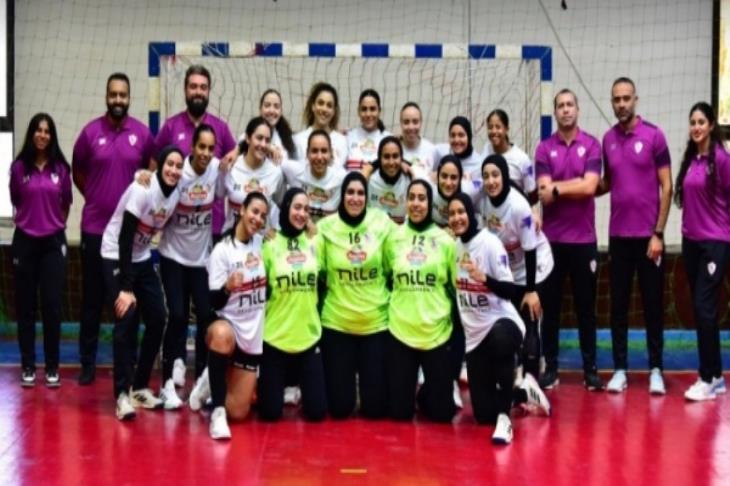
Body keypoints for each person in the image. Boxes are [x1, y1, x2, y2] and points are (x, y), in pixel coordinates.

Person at [448, 193, 550, 445]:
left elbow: (511, 290)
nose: (457, 217)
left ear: (471, 214)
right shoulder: (455, 248)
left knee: (500, 340)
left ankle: (505, 420)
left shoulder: (490, 243)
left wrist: (485, 278)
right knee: (483, 415)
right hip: (475, 338)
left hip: (503, 323)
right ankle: (524, 393)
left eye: (461, 212)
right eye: (452, 213)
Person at [72, 72, 155, 385]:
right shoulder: (89, 133)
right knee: (92, 300)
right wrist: (95, 196)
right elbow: (77, 171)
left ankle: (129, 361)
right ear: (106, 96)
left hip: (128, 236)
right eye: (113, 94)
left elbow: (153, 168)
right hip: (95, 229)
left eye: (123, 95)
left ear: (129, 98)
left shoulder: (142, 134)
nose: (118, 100)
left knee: (127, 299)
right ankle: (87, 363)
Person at [600, 78, 673, 395]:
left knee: (653, 305)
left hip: (649, 239)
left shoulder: (655, 135)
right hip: (618, 238)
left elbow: (667, 187)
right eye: (616, 99)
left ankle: (656, 369)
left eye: (626, 98)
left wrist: (658, 233)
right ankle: (620, 370)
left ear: (635, 100)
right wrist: (575, 190)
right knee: (618, 307)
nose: (621, 104)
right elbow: (607, 182)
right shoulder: (607, 139)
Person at [100, 146, 183, 420]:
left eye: (178, 166)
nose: (173, 170)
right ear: (159, 165)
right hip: (115, 253)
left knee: (158, 317)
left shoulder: (176, 194)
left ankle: (139, 388)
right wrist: (126, 287)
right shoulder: (142, 189)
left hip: (142, 257)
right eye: (169, 164)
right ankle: (122, 395)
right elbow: (125, 238)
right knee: (127, 315)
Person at [536, 89, 603, 391]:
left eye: (569, 105)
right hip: (551, 243)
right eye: (560, 106)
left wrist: (559, 188)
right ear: (555, 112)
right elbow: (544, 194)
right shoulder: (544, 148)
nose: (565, 110)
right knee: (550, 309)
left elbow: (590, 187)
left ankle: (591, 370)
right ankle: (551, 368)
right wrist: (571, 186)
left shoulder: (592, 145)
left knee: (586, 309)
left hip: (584, 241)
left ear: (578, 109)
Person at [188, 192, 269, 439]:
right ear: (241, 210)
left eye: (263, 216)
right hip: (227, 327)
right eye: (254, 211)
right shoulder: (222, 251)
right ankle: (217, 413)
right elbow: (212, 302)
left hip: (251, 336)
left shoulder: (262, 244)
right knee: (221, 335)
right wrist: (227, 287)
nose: (258, 218)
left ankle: (210, 380)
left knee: (239, 412)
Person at [317, 172, 394, 418]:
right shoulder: (325, 227)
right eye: (350, 192)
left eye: (361, 193)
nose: (355, 198)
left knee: (375, 411)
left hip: (376, 324)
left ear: (367, 197)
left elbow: (405, 242)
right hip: (337, 324)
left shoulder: (381, 222)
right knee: (340, 409)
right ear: (342, 196)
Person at [156, 124, 221, 408]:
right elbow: (156, 182)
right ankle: (168, 382)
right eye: (201, 146)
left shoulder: (217, 169)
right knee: (178, 315)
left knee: (206, 316)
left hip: (201, 259)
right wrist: (142, 175)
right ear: (192, 147)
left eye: (211, 148)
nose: (206, 153)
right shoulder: (178, 172)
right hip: (172, 256)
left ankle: (203, 380)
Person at [384, 180, 456, 423]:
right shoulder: (393, 238)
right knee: (399, 414)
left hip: (436, 332)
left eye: (422, 199)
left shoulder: (445, 241)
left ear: (430, 203)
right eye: (412, 198)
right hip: (401, 330)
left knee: (442, 414)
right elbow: (387, 276)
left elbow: (454, 286)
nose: (416, 204)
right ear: (405, 202)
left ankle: (430, 391)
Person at [10, 114, 72, 388]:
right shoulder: (18, 168)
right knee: (25, 307)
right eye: (38, 130)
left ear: (52, 136)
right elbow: (16, 199)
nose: (42, 135)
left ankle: (52, 367)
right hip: (24, 242)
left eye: (47, 131)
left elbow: (66, 203)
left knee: (52, 306)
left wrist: (52, 224)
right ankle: (27, 365)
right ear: (32, 134)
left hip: (52, 244)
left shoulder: (62, 169)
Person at [479, 154, 554, 381]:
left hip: (535, 266)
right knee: (511, 323)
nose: (491, 181)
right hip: (510, 269)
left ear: (503, 176)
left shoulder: (519, 207)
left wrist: (531, 291)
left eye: (495, 175)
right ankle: (513, 373)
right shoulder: (482, 199)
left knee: (530, 319)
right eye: (486, 176)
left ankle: (532, 379)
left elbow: (530, 250)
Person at [675, 102, 730, 401]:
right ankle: (715, 376)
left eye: (701, 122)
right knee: (701, 309)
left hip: (714, 243)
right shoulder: (692, 158)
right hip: (691, 243)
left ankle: (708, 378)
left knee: (704, 306)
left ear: (711, 125)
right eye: (692, 122)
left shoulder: (721, 158)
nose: (696, 127)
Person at [258, 188, 327, 421]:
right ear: (286, 208)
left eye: (306, 209)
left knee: (317, 413)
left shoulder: (315, 241)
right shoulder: (269, 244)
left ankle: (296, 387)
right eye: (297, 207)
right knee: (269, 413)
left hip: (308, 338)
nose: (302, 214)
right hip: (275, 338)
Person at [155, 64, 236, 243]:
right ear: (185, 90)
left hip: (213, 227)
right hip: (177, 229)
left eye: (203, 87)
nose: (198, 92)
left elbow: (235, 159)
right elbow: (154, 164)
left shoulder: (221, 128)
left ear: (208, 91)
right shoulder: (170, 126)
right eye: (193, 86)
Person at [221, 117, 285, 231]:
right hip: (231, 237)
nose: (263, 144)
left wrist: (275, 229)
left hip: (261, 240)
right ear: (247, 138)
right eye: (259, 138)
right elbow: (216, 195)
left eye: (267, 140)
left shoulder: (275, 173)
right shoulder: (232, 166)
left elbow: (282, 205)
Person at [281, 129, 346, 223]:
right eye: (314, 151)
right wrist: (271, 148)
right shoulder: (294, 171)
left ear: (331, 153)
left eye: (324, 151)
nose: (319, 157)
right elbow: (274, 163)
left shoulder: (342, 178)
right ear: (307, 153)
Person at [481, 109, 537, 196]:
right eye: (490, 127)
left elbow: (532, 191)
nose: (494, 131)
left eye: (498, 127)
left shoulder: (522, 159)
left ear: (506, 129)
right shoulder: (486, 149)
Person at [293, 82, 348, 169]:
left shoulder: (342, 141)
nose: (324, 109)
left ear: (334, 111)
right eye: (320, 103)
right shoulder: (298, 140)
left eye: (329, 105)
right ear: (313, 106)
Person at [368, 136, 411, 223]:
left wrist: (411, 169)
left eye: (395, 156)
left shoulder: (410, 180)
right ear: (379, 159)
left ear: (401, 158)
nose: (391, 162)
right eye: (386, 157)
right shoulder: (369, 180)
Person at [346, 89, 390, 171]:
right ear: (358, 111)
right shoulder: (348, 137)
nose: (368, 114)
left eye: (372, 109)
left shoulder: (388, 139)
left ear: (379, 111)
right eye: (364, 109)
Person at [434, 116, 483, 180]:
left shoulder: (479, 164)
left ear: (469, 137)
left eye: (461, 135)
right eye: (453, 135)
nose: (456, 140)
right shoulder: (441, 152)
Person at [399, 102, 438, 179]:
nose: (411, 127)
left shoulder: (432, 150)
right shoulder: (393, 151)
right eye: (406, 122)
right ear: (401, 123)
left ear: (421, 122)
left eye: (415, 122)